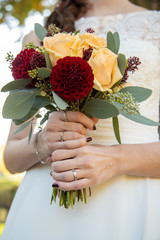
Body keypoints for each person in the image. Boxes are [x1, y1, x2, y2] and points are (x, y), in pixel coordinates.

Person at [1, 0, 160, 239]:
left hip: (133, 199)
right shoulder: (40, 34)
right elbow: (12, 157)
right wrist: (43, 142)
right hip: (45, 205)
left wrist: (116, 159)